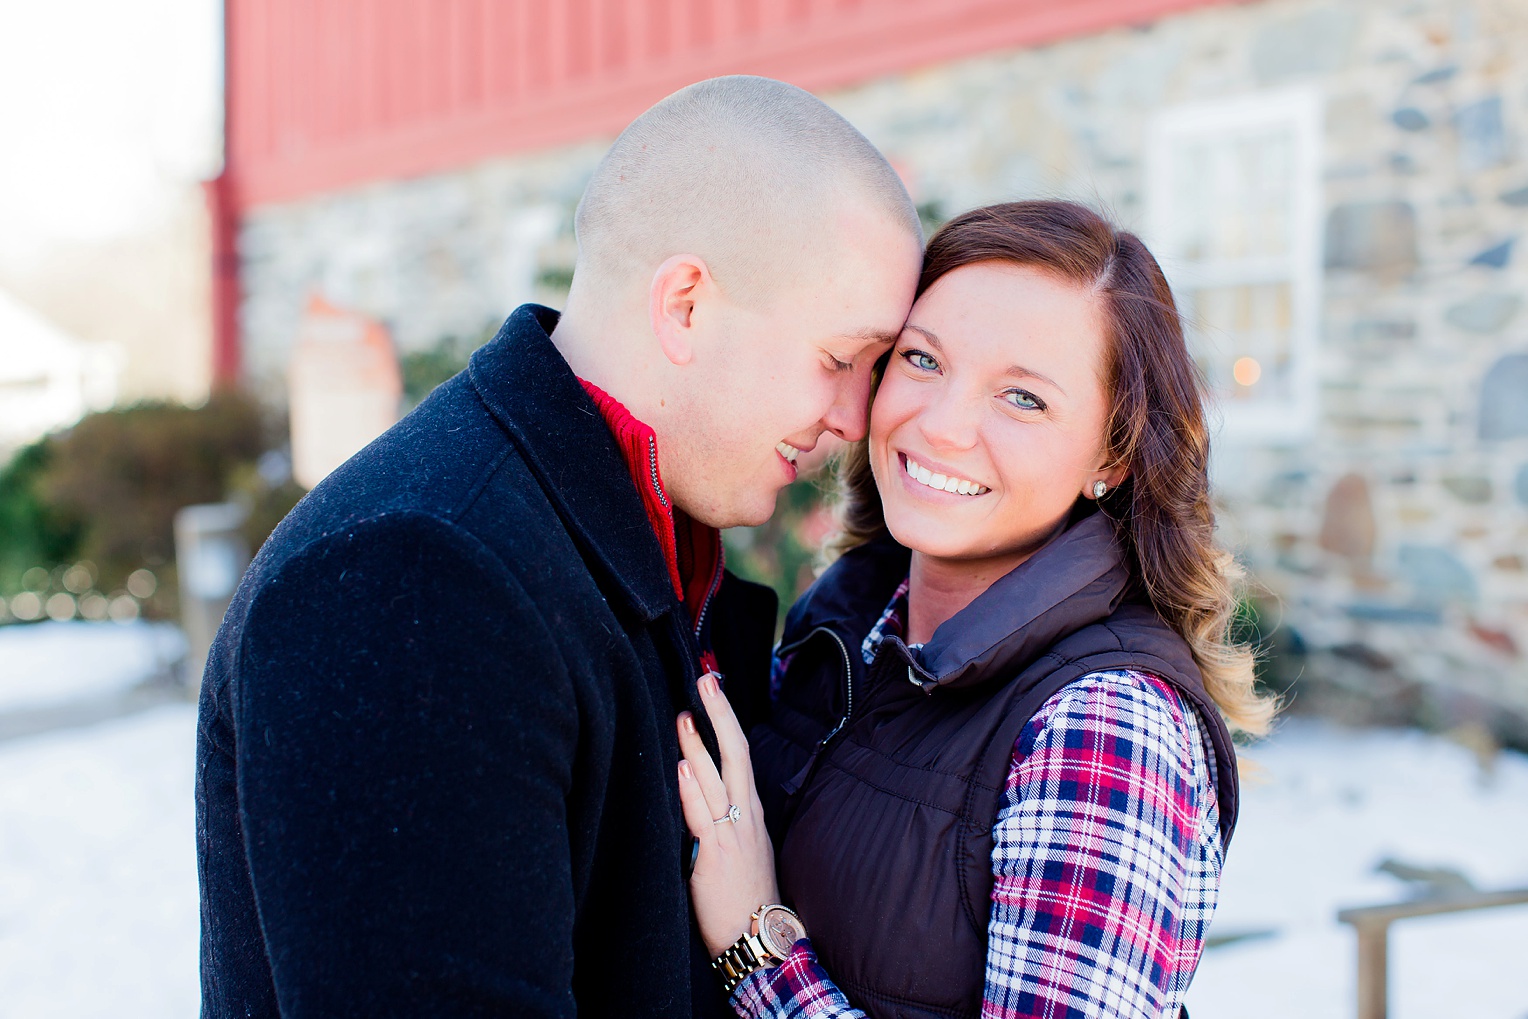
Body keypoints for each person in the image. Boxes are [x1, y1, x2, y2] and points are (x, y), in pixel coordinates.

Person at [195, 75, 923, 1018]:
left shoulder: (653, 547)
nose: (857, 419)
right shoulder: (415, 578)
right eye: (839, 360)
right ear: (687, 305)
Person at [675, 201, 1277, 1019]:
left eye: (1023, 398)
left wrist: (757, 946)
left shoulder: (1106, 726)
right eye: (922, 359)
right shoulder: (850, 621)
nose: (944, 425)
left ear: (1113, 454)